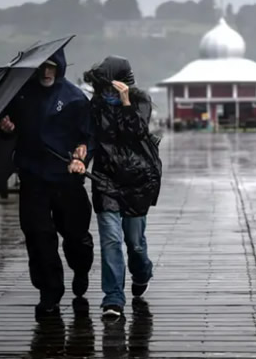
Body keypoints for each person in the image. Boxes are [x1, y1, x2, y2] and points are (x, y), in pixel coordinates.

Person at [0, 47, 94, 319]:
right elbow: (9, 132)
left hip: (66, 177)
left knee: (76, 236)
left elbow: (87, 136)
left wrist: (81, 157)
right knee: (38, 236)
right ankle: (49, 292)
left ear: (59, 67)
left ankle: (81, 268)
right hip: (33, 177)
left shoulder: (75, 98)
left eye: (51, 66)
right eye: (41, 67)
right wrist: (6, 130)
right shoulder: (20, 96)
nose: (46, 72)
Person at [82, 56, 162, 319]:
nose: (107, 92)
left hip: (138, 181)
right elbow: (90, 138)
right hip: (105, 180)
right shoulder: (96, 106)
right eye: (103, 86)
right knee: (111, 240)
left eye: (111, 86)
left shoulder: (140, 100)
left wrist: (126, 102)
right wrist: (80, 158)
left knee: (135, 244)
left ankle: (142, 273)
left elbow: (137, 133)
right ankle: (113, 298)